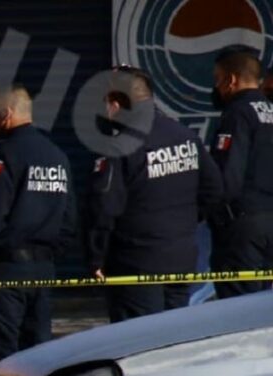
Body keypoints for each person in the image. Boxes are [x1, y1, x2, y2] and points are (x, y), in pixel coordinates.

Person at [0, 84, 77, 376]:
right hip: (43, 271)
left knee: (1, 355)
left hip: (6, 272)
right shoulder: (57, 156)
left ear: (6, 114)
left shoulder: (3, 156)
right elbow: (69, 218)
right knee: (38, 353)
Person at [86, 66, 223, 322]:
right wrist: (178, 226)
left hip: (134, 265)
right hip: (180, 260)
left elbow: (103, 208)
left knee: (138, 346)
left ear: (116, 103)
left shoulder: (118, 147)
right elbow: (214, 191)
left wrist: (96, 258)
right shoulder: (186, 136)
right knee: (174, 341)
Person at [209, 49, 273, 297]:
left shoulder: (237, 114)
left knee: (237, 307)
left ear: (231, 80)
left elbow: (227, 176)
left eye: (218, 79)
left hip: (243, 226)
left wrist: (215, 216)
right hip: (269, 221)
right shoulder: (269, 109)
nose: (216, 87)